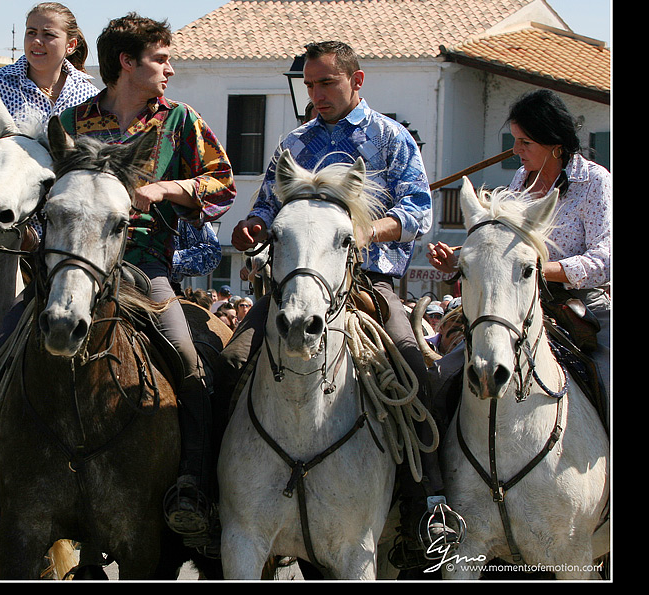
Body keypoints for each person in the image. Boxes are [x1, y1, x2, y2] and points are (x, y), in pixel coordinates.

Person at [227, 40, 459, 566]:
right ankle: (212, 491)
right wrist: (253, 228)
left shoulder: (392, 138)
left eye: (326, 83)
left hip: (367, 285)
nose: (315, 94)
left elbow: (418, 211)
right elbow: (267, 206)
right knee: (230, 363)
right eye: (309, 85)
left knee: (417, 369)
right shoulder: (295, 142)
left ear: (357, 80)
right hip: (293, 286)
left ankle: (427, 505)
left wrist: (361, 231)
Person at [58, 12, 235, 547]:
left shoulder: (181, 121)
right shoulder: (70, 124)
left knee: (188, 357)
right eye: (160, 59)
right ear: (126, 63)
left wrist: (167, 189)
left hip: (143, 266)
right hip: (71, 266)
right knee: (1, 339)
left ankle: (193, 483)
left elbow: (222, 185)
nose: (170, 69)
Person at [428, 88, 611, 401]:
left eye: (525, 142)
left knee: (607, 379)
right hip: (514, 299)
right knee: (443, 376)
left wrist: (539, 270)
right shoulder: (519, 182)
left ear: (556, 145)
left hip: (581, 303)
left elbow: (605, 261)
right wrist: (458, 265)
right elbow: (501, 251)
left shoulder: (595, 181)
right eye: (515, 140)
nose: (515, 150)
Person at [0, 2, 100, 179]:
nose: (37, 41)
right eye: (31, 33)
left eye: (48, 34)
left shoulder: (88, 96)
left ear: (71, 45)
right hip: (4, 200)